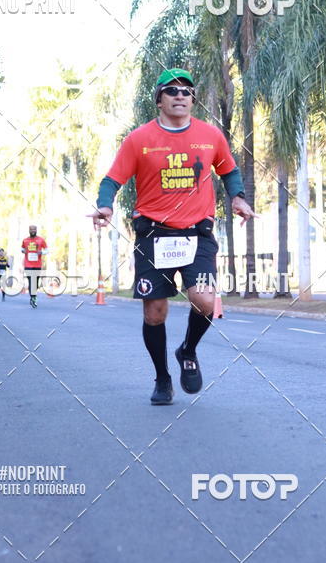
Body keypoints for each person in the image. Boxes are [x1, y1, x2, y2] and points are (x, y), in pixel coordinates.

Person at [90, 68, 258, 405]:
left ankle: (188, 349)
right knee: (155, 313)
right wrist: (104, 206)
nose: (180, 96)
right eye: (171, 90)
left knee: (205, 300)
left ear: (193, 99)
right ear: (159, 99)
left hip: (198, 233)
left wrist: (238, 197)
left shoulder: (211, 136)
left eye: (186, 91)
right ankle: (163, 378)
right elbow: (112, 180)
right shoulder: (139, 139)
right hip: (153, 234)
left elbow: (229, 170)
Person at [21, 225, 48, 308]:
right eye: (31, 229)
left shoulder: (41, 240)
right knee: (30, 281)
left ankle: (33, 295)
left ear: (36, 230)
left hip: (37, 264)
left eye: (34, 229)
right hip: (28, 264)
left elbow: (47, 249)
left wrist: (42, 252)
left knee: (35, 282)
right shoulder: (25, 240)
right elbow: (22, 249)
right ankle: (32, 297)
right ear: (29, 230)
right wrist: (23, 251)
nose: (33, 231)